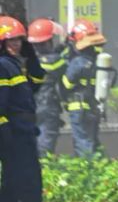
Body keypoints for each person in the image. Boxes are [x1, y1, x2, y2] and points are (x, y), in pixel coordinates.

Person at [0, 16, 46, 202]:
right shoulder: (2, 65)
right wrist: (5, 132)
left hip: (24, 134)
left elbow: (37, 83)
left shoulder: (15, 64)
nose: (15, 44)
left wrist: (31, 55)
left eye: (18, 40)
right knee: (29, 186)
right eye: (10, 40)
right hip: (15, 136)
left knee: (12, 186)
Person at [62, 19, 106, 156]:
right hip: (94, 107)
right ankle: (101, 167)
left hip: (78, 107)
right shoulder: (97, 61)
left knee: (82, 142)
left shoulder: (77, 62)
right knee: (92, 140)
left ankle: (88, 170)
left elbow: (66, 84)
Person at [27, 18, 67, 157]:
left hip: (29, 108)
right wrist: (66, 49)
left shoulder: (26, 61)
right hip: (47, 107)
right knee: (45, 146)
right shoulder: (55, 61)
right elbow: (61, 66)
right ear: (48, 41)